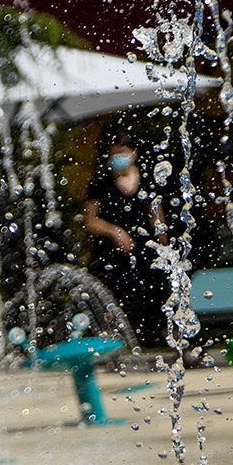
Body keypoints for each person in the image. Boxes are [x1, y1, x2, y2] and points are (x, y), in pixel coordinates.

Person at [82, 136, 171, 348]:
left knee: (161, 297)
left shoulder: (148, 180)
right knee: (112, 303)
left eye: (122, 153)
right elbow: (90, 220)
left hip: (146, 251)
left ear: (134, 153)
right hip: (111, 254)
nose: (118, 158)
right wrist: (114, 231)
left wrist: (165, 249)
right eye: (113, 155)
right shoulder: (100, 183)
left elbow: (157, 218)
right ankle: (111, 350)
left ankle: (178, 345)